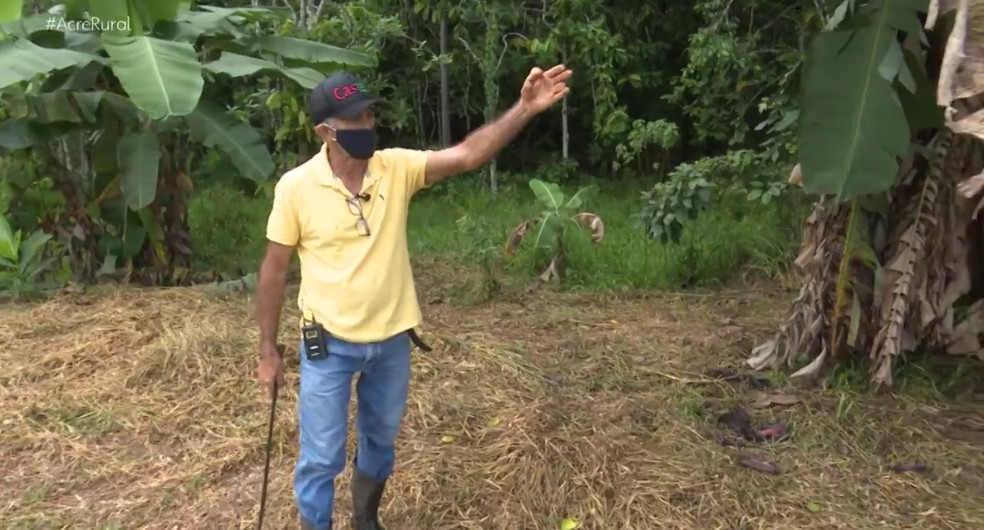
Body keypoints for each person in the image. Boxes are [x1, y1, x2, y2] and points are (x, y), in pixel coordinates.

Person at [254, 64, 573, 530]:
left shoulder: (395, 167)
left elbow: (466, 155)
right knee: (321, 457)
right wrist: (266, 350)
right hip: (328, 344)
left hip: (391, 345)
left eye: (368, 116)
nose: (367, 126)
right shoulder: (296, 188)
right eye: (354, 120)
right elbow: (274, 270)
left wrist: (523, 109)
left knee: (380, 443)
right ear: (325, 131)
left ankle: (366, 519)